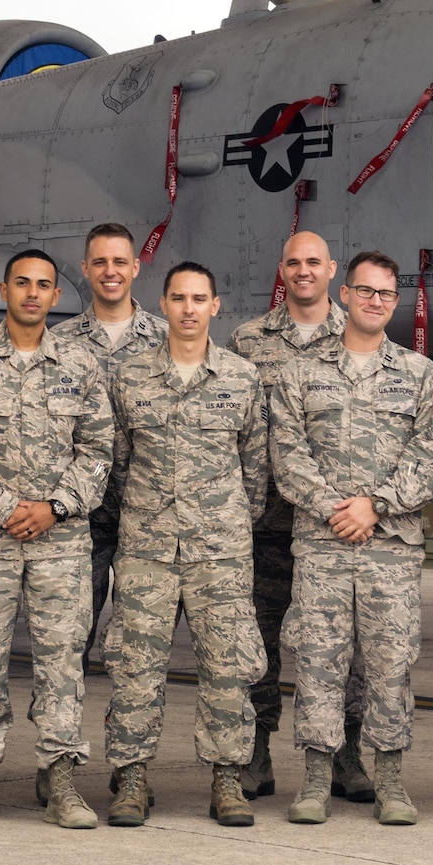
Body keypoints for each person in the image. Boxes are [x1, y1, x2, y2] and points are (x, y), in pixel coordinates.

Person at [0, 249, 115, 829]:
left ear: (56, 297)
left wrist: (54, 508)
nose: (33, 294)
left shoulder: (82, 365)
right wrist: (11, 508)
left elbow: (100, 450)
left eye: (43, 285)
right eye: (22, 283)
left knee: (62, 664)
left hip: (61, 544)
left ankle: (61, 782)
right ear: (3, 289)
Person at [268, 250, 433, 827]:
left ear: (396, 303)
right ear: (343, 294)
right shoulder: (302, 371)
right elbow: (286, 454)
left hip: (390, 550)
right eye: (365, 291)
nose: (375, 301)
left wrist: (376, 506)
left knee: (390, 664)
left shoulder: (420, 375)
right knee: (319, 661)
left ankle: (390, 777)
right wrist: (332, 508)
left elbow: (428, 456)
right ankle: (317, 778)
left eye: (386, 294)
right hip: (321, 547)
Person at [102, 261, 269, 828]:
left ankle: (227, 782)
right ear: (164, 305)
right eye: (179, 298)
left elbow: (255, 472)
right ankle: (131, 780)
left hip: (219, 551)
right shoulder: (128, 377)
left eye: (201, 298)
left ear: (216, 306)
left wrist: (223, 523)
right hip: (147, 549)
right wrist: (149, 518)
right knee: (135, 667)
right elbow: (118, 465)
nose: (190, 308)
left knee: (227, 669)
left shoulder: (243, 378)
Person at [228, 231, 372, 803]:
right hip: (264, 525)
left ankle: (345, 757)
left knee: (346, 649)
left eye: (314, 262)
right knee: (257, 642)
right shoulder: (248, 340)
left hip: (337, 529)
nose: (304, 271)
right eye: (294, 262)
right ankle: (255, 754)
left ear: (332, 269)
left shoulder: (357, 333)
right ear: (281, 269)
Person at [50, 222, 168, 661]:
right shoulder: (59, 342)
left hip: (147, 512)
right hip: (80, 514)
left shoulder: (167, 339)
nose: (110, 271)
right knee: (66, 636)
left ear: (136, 267)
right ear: (84, 268)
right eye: (99, 262)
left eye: (119, 261)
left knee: (136, 647)